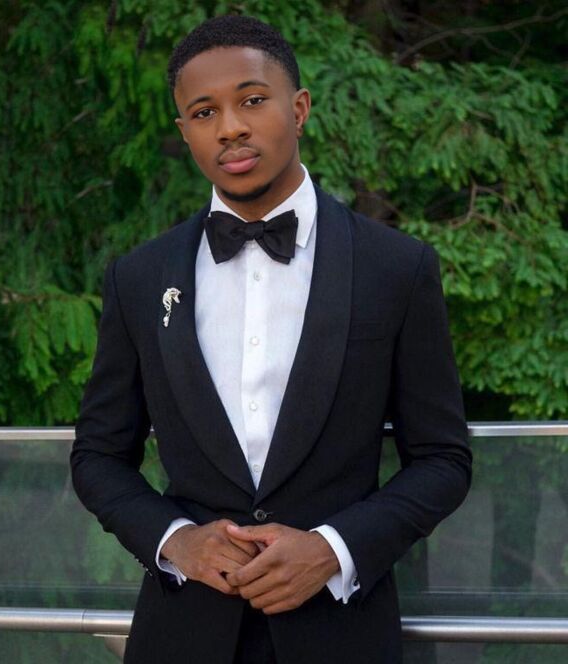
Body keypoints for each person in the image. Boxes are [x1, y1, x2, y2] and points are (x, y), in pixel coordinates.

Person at [70, 14, 472, 664]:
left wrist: (333, 550)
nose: (229, 126)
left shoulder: (398, 268)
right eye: (204, 112)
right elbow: (97, 455)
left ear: (299, 108)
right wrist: (177, 540)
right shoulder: (139, 277)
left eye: (252, 100)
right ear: (185, 131)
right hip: (182, 637)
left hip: (340, 635)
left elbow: (443, 459)